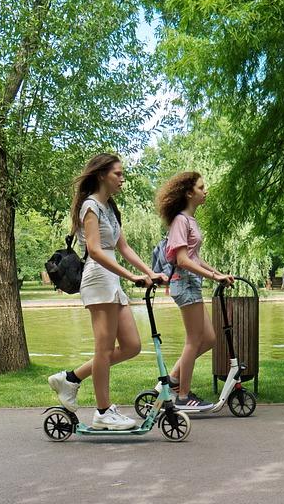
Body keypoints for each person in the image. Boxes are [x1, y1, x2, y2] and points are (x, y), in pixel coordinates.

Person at [47, 153, 167, 430]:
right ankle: (102, 412)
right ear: (102, 175)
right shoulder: (90, 207)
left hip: (111, 278)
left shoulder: (109, 208)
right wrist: (131, 276)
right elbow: (96, 251)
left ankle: (71, 378)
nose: (122, 178)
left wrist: (150, 273)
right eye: (118, 174)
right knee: (103, 349)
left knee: (131, 346)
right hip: (99, 278)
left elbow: (123, 248)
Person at [156, 171, 233, 412]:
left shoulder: (191, 221)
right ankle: (182, 396)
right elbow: (182, 259)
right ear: (190, 193)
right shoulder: (180, 221)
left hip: (193, 282)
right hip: (184, 282)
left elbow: (194, 257)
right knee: (193, 341)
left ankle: (171, 381)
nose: (205, 191)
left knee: (209, 338)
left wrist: (218, 273)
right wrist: (211, 276)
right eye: (201, 187)